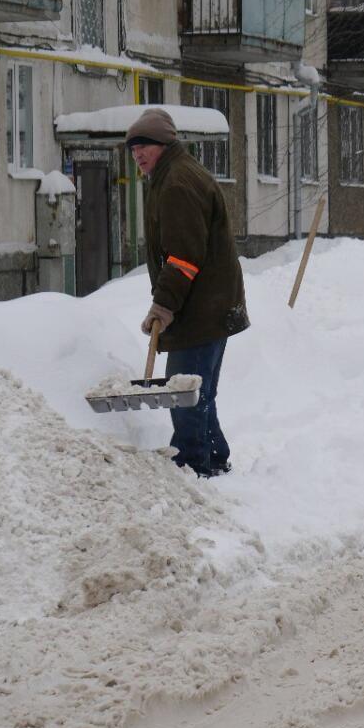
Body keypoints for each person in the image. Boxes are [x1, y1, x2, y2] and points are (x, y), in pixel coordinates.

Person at [126, 108, 249, 478]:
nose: (137, 155)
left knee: (184, 394)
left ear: (165, 144)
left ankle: (194, 466)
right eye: (132, 149)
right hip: (212, 304)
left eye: (144, 146)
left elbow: (183, 257)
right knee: (198, 391)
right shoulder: (175, 175)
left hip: (202, 309)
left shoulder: (177, 183)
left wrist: (164, 305)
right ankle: (213, 456)